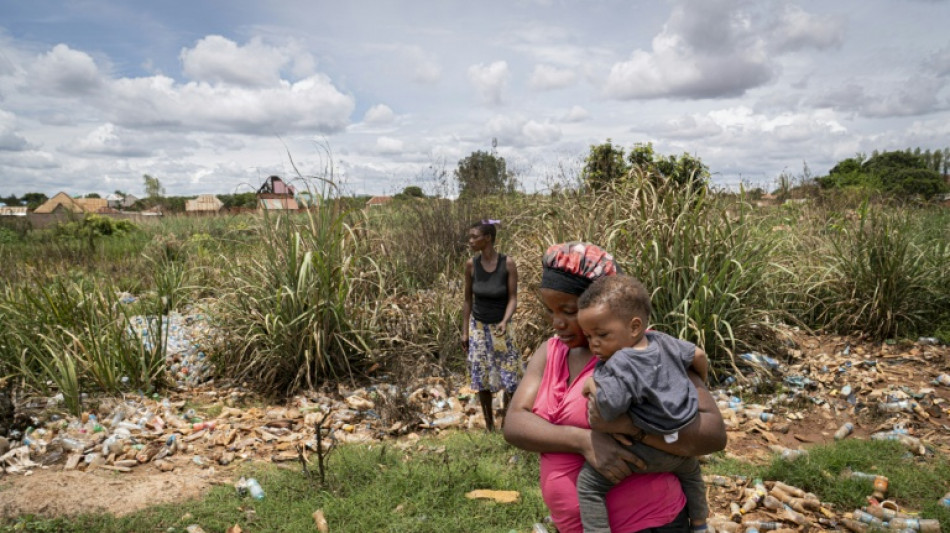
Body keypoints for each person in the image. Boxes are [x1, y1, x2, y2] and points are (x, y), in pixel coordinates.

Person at [503, 242, 727, 533]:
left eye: (569, 311)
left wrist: (634, 428)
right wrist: (583, 441)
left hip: (650, 523)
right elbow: (515, 424)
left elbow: (713, 434)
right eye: (550, 310)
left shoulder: (648, 351)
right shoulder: (551, 351)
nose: (557, 322)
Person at [576, 274, 709, 533]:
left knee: (589, 485)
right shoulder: (665, 342)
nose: (594, 344)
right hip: (678, 449)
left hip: (641, 451)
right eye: (589, 336)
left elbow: (609, 408)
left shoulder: (621, 362)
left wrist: (592, 384)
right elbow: (700, 355)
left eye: (602, 335)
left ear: (635, 327)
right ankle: (701, 524)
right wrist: (700, 384)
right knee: (692, 473)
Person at [462, 219, 521, 431]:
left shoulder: (508, 264)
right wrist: (464, 332)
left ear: (487, 238)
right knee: (481, 377)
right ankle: (489, 427)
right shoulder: (472, 265)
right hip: (478, 327)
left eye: (474, 237)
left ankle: (508, 423)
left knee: (510, 377)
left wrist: (505, 321)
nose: (470, 241)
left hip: (502, 328)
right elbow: (468, 300)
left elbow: (513, 298)